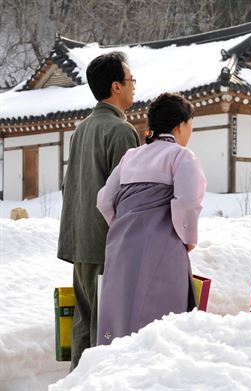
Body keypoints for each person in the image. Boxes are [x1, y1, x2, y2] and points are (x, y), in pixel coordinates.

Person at [96, 93, 206, 345]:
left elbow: (104, 200)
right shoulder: (181, 156)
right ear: (180, 125)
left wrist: (123, 225)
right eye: (190, 125)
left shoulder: (131, 156)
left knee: (121, 314)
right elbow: (188, 200)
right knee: (157, 321)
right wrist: (187, 237)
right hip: (162, 245)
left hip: (121, 246)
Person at [57, 51, 139, 369]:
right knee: (104, 332)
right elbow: (130, 196)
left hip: (80, 241)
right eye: (131, 80)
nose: (134, 86)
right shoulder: (120, 131)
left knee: (84, 322)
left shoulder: (83, 128)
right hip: (107, 244)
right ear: (116, 86)